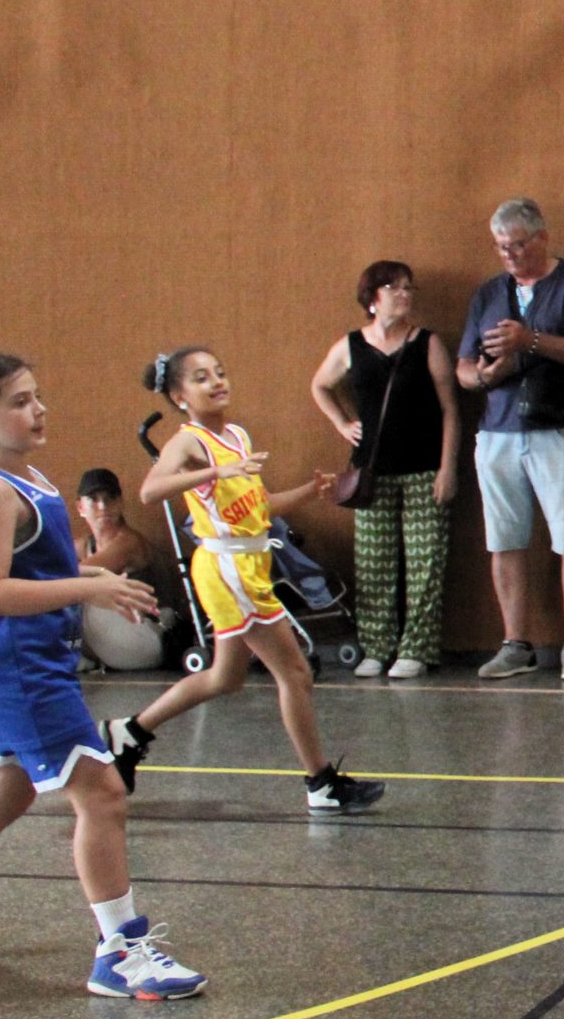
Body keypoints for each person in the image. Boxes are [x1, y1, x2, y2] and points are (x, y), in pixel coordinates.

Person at [0, 351, 205, 998]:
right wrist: (89, 587)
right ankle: (121, 952)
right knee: (102, 793)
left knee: (5, 796)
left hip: (26, 664)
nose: (38, 409)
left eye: (37, 395)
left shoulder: (26, 478)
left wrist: (97, 578)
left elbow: (37, 572)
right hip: (19, 670)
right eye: (20, 401)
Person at [105, 348, 386, 816]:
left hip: (249, 563)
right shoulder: (188, 442)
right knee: (294, 672)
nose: (217, 381)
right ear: (179, 395)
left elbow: (260, 508)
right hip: (227, 570)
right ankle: (321, 784)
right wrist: (215, 471)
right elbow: (150, 490)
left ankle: (129, 732)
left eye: (220, 372)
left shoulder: (236, 436)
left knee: (225, 677)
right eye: (201, 377)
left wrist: (311, 491)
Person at [457, 199, 564, 682]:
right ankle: (516, 645)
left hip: (560, 430)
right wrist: (485, 376)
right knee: (504, 540)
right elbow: (463, 368)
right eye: (501, 247)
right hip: (499, 431)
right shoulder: (489, 293)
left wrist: (533, 342)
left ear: (543, 237)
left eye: (518, 245)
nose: (510, 255)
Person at [311, 260, 461, 679]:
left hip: (424, 469)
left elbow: (450, 409)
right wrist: (342, 423)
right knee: (373, 563)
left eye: (409, 287)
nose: (405, 295)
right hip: (371, 472)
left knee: (426, 564)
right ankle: (376, 647)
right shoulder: (350, 346)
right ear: (372, 298)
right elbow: (319, 385)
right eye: (395, 288)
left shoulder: (427, 343)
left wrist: (448, 467)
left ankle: (416, 648)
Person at [71, 469, 170, 671]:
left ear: (121, 503)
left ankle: (68, 658)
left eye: (110, 498)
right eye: (93, 499)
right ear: (80, 507)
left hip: (147, 638)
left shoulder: (128, 542)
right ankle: (73, 658)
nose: (103, 506)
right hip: (115, 641)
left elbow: (71, 573)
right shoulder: (84, 545)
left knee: (79, 590)